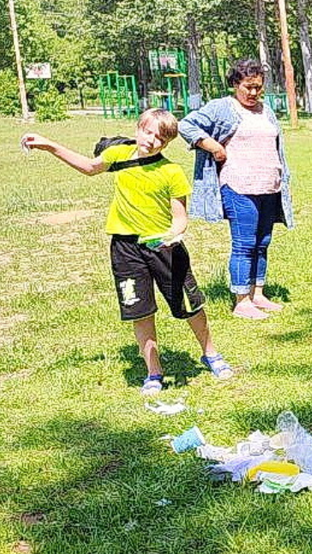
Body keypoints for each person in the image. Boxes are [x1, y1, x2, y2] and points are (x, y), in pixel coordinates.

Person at [22, 111, 234, 395]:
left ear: (168, 142)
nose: (152, 140)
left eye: (161, 138)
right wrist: (50, 145)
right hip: (125, 250)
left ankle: (211, 354)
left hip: (164, 248)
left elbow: (180, 217)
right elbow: (88, 167)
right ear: (138, 128)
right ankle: (154, 373)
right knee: (140, 310)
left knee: (189, 305)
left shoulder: (171, 172)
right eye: (149, 132)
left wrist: (173, 235)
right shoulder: (119, 154)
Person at [178, 58, 293, 320]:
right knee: (245, 243)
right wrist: (212, 146)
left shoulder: (266, 110)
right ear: (235, 84)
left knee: (263, 242)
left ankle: (258, 293)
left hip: (269, 187)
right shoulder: (222, 107)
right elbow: (186, 125)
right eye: (248, 87)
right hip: (238, 186)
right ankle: (241, 300)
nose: (253, 93)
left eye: (258, 87)